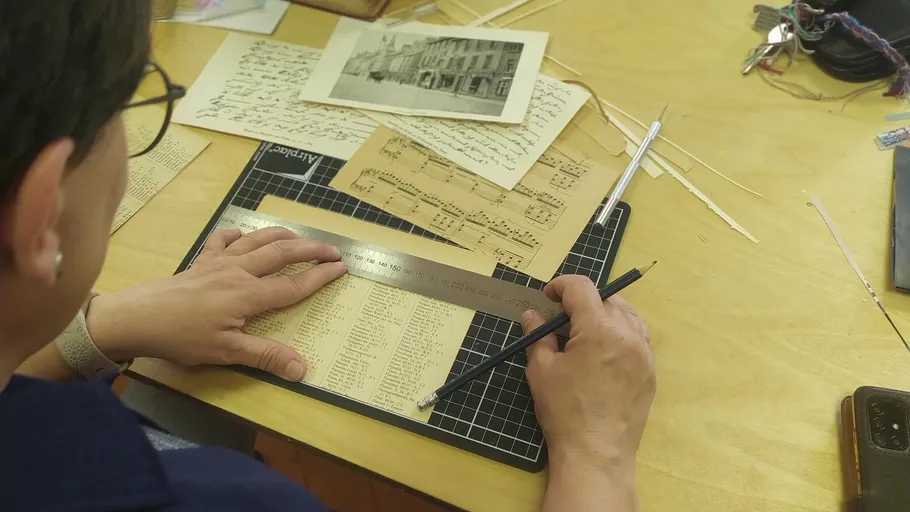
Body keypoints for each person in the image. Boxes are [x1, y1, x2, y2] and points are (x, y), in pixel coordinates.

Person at [0, 2, 656, 511]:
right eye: (132, 105)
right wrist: (597, 458)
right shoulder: (237, 503)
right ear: (40, 216)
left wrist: (95, 332)